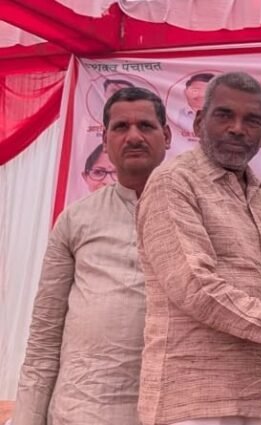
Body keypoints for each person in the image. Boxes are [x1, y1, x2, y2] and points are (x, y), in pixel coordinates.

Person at [136, 72, 261, 425]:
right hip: (194, 404)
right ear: (199, 122)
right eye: (224, 115)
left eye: (251, 121)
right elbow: (196, 289)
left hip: (258, 398)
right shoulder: (174, 183)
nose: (237, 129)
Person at [13, 87, 171, 425]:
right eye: (120, 127)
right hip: (84, 409)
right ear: (105, 139)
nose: (133, 136)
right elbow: (44, 334)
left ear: (167, 136)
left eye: (145, 125)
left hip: (172, 409)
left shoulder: (195, 214)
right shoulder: (77, 218)